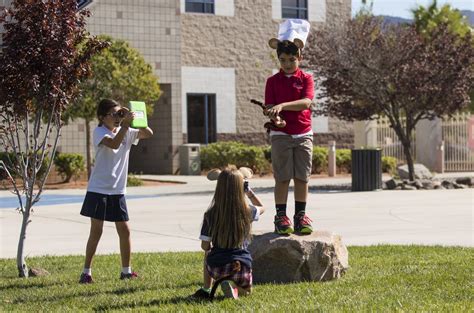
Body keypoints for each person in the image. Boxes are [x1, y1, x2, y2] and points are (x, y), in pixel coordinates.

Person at [78, 98, 153, 284]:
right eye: (114, 114)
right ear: (102, 117)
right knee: (97, 231)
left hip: (118, 191)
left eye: (120, 113)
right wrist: (126, 126)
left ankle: (126, 271)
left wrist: (136, 119)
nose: (118, 118)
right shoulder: (99, 132)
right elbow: (114, 144)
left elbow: (148, 133)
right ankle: (86, 272)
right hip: (98, 189)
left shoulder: (126, 130)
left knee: (125, 230)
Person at [265, 19, 315, 235]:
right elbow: (269, 106)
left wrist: (283, 105)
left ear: (299, 57)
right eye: (283, 59)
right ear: (278, 58)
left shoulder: (306, 79)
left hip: (303, 133)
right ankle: (281, 216)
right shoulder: (272, 81)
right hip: (281, 135)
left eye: (292, 59)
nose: (287, 64)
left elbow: (306, 103)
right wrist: (275, 117)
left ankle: (300, 215)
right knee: (283, 177)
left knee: (302, 177)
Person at [193, 167, 265, 299]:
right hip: (241, 267)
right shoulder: (247, 212)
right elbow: (262, 207)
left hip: (217, 268)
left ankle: (207, 288)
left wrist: (209, 248)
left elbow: (205, 246)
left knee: (208, 253)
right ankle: (235, 286)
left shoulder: (211, 215)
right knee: (247, 293)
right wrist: (248, 192)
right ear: (240, 188)